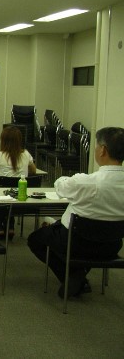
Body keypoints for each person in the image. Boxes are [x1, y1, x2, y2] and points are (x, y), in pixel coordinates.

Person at [28, 127, 124, 299]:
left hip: (76, 243)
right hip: (111, 245)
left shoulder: (86, 182)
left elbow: (60, 186)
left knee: (36, 239)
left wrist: (67, 179)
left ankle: (73, 274)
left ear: (103, 150)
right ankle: (77, 273)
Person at [0, 126, 37, 239]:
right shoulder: (26, 154)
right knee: (13, 195)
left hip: (3, 197)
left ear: (3, 140)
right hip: (22, 196)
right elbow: (33, 171)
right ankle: (10, 226)